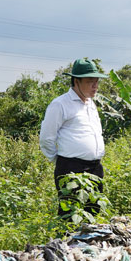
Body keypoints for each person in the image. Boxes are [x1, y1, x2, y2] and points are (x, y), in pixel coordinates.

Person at [40, 58, 108, 217]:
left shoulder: (91, 104)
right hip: (71, 168)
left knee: (93, 212)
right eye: (90, 81)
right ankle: (65, 242)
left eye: (97, 82)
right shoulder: (60, 104)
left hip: (95, 167)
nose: (95, 86)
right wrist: (60, 160)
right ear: (76, 81)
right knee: (70, 214)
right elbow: (46, 138)